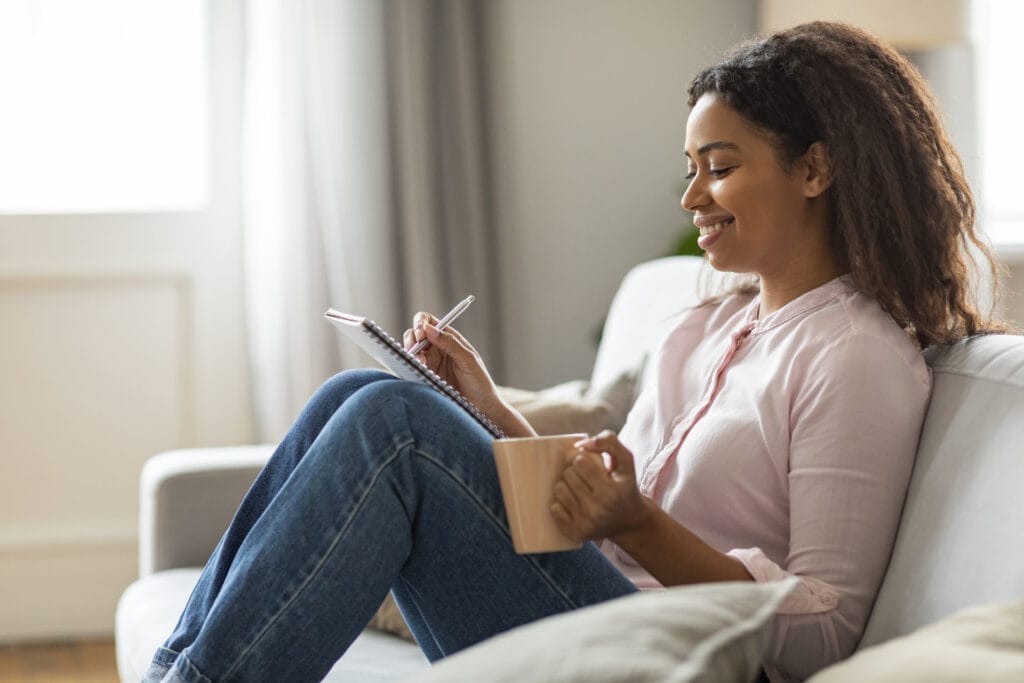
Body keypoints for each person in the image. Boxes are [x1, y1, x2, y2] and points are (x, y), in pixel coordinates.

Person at [144, 21, 1006, 683]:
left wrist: (637, 520)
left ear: (815, 169)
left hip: (674, 657)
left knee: (392, 424)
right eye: (691, 167)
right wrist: (484, 403)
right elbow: (593, 508)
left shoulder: (853, 355)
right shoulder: (703, 326)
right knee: (356, 397)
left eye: (719, 165)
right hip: (598, 604)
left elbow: (822, 632)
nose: (692, 195)